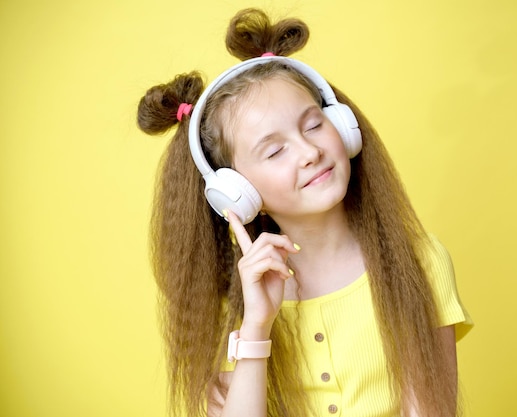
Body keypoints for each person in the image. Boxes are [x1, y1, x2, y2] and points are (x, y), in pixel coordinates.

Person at [137, 8, 472, 417]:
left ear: (343, 126)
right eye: (275, 150)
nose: (310, 152)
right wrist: (257, 325)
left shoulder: (418, 262)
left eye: (314, 125)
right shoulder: (229, 305)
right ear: (235, 192)